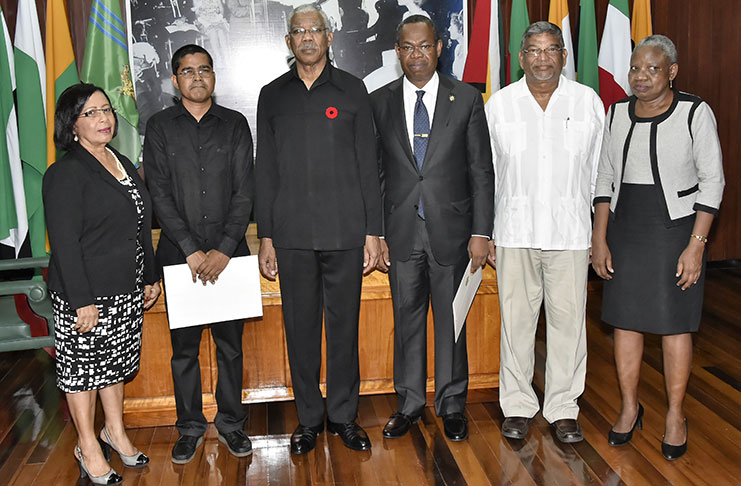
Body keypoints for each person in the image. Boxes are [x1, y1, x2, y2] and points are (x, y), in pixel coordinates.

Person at [255, 4, 382, 455]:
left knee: (344, 328)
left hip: (346, 233)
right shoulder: (271, 95)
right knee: (301, 330)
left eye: (315, 30)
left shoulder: (352, 89)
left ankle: (344, 416)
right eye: (298, 32)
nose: (307, 37)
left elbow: (369, 164)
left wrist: (373, 231)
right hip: (290, 237)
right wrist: (265, 236)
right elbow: (265, 170)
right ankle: (309, 419)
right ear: (289, 43)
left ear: (329, 38)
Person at [591, 35, 724, 460]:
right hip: (625, 230)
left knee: (673, 325)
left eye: (652, 68)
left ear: (672, 72)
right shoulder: (616, 113)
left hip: (676, 230)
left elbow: (713, 181)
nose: (641, 76)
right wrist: (599, 237)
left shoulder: (694, 112)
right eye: (635, 68)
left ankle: (675, 415)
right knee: (625, 322)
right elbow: (605, 179)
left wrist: (696, 246)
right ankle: (630, 408)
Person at [370, 14, 494, 442]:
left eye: (424, 46)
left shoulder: (468, 98)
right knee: (406, 320)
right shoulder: (380, 100)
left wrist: (482, 231)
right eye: (408, 47)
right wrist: (378, 232)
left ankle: (452, 402)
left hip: (454, 231)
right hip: (402, 230)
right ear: (398, 51)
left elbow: (481, 169)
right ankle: (408, 402)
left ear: (439, 47)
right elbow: (377, 172)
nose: (416, 54)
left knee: (451, 320)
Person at [484, 21, 604, 443]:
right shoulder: (499, 105)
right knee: (516, 324)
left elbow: (598, 174)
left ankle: (562, 408)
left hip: (571, 233)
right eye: (533, 51)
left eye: (551, 49)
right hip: (514, 231)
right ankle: (517, 406)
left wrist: (596, 230)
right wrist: (489, 231)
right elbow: (490, 175)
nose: (542, 58)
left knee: (570, 325)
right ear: (520, 58)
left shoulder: (587, 102)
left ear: (564, 56)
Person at [43, 83, 161, 485]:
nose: (104, 119)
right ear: (72, 125)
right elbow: (63, 244)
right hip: (86, 294)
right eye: (91, 113)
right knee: (82, 372)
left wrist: (149, 276)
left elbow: (141, 223)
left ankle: (116, 432)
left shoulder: (121, 162)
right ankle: (88, 446)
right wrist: (81, 301)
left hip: (126, 289)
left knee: (113, 368)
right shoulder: (64, 173)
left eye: (107, 110)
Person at [143, 44, 254, 464]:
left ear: (213, 76)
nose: (197, 78)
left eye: (204, 70)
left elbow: (246, 193)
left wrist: (224, 250)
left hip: (231, 258)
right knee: (184, 350)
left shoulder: (235, 124)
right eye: (187, 71)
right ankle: (189, 427)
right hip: (178, 258)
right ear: (175, 80)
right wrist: (190, 250)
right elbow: (160, 195)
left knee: (231, 348)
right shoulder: (158, 127)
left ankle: (231, 423)